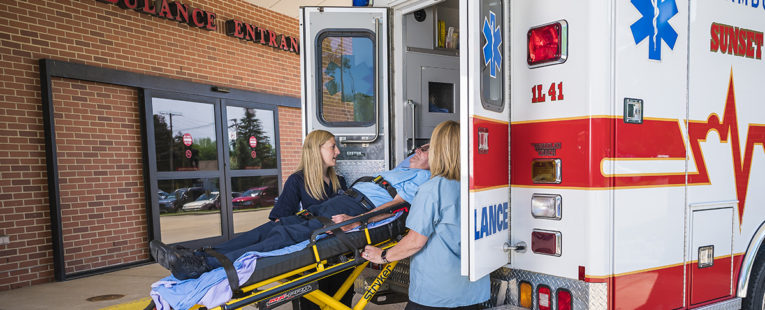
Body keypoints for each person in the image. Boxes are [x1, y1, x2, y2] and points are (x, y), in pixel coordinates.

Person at [149, 142, 432, 280]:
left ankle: (201, 266)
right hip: (344, 200)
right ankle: (198, 254)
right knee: (276, 226)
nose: (418, 150)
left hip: (357, 207)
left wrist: (355, 221)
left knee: (287, 236)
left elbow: (396, 207)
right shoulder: (408, 165)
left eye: (426, 149)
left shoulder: (423, 179)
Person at [361, 120, 490, 310]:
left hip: (437, 294)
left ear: (438, 151)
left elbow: (415, 242)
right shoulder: (480, 187)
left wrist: (383, 255)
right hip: (473, 291)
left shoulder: (432, 189)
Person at [269, 130, 347, 221]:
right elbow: (279, 219)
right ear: (316, 150)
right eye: (333, 147)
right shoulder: (297, 180)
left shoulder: (339, 181)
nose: (338, 151)